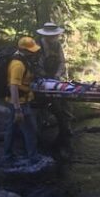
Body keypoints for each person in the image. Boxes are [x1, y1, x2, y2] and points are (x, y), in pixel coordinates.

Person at [1, 36, 42, 165]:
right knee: (30, 130)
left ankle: (7, 156)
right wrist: (18, 109)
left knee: (11, 129)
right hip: (19, 103)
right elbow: (13, 86)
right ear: (24, 50)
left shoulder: (22, 59)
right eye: (31, 50)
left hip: (18, 101)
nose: (34, 52)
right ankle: (33, 158)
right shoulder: (18, 64)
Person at [36, 22, 73, 158]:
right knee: (43, 104)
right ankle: (40, 129)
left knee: (65, 101)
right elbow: (36, 65)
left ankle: (66, 128)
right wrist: (44, 77)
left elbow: (62, 62)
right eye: (52, 36)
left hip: (55, 79)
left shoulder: (57, 45)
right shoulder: (38, 46)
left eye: (55, 35)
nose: (54, 37)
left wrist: (57, 75)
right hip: (41, 79)